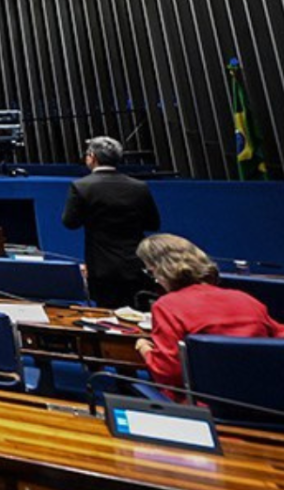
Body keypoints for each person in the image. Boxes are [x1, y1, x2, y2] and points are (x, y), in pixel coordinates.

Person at [135, 234, 284, 390]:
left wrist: (145, 349)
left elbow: (167, 373)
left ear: (159, 271)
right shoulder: (248, 300)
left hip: (196, 401)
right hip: (258, 397)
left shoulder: (167, 306)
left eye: (151, 273)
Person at [62, 136, 160, 309]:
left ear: (92, 157)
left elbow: (70, 222)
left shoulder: (82, 186)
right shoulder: (139, 186)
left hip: (101, 266)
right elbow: (153, 223)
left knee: (107, 314)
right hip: (135, 263)